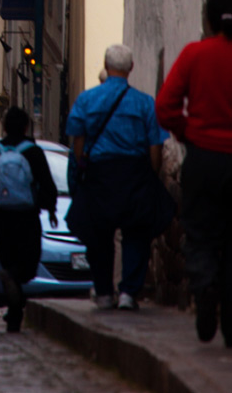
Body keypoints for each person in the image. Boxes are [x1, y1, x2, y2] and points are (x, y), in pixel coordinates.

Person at [65, 43, 172, 311]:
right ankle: (128, 292)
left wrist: (82, 167)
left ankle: (103, 292)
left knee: (99, 235)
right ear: (132, 68)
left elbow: (78, 138)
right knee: (136, 232)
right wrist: (152, 173)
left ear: (105, 65)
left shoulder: (87, 100)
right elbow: (155, 145)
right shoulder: (145, 102)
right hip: (135, 171)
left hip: (100, 173)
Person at [156, 0, 232, 345]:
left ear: (210, 19)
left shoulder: (195, 55)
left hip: (202, 159)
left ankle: (204, 289)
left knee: (201, 234)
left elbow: (166, 106)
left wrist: (188, 133)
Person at [0, 107, 57, 332]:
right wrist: (51, 209)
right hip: (28, 217)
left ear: (3, 127)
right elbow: (47, 185)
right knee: (27, 265)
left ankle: (14, 312)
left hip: (0, 218)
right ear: (26, 127)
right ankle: (14, 305)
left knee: (8, 261)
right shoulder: (33, 153)